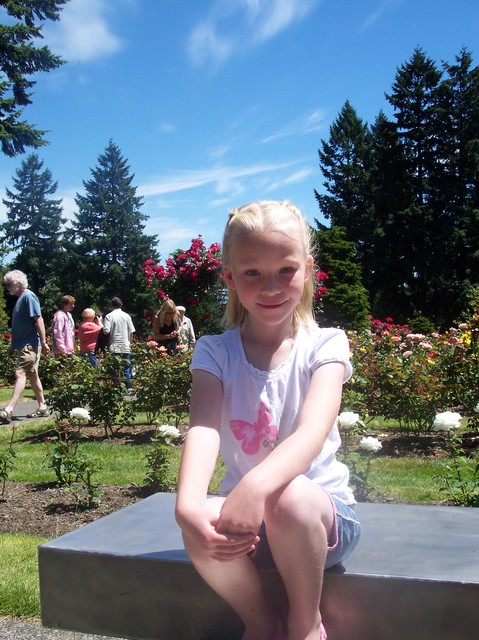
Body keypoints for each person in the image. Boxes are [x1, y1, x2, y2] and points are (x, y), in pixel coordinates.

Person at [175, 201, 361, 640]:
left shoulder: (325, 345)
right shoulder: (215, 352)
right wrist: (187, 505)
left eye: (286, 270)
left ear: (308, 270)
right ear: (230, 279)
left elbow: (313, 432)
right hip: (249, 528)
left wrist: (254, 486)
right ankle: (260, 622)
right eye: (253, 273)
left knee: (289, 497)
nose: (271, 287)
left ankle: (305, 624)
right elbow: (203, 427)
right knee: (196, 521)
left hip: (323, 522)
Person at [0, 270, 50, 422]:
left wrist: (44, 342)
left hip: (30, 344)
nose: (8, 286)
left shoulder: (28, 296)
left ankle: (9, 410)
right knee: (32, 375)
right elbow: (19, 326)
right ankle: (42, 407)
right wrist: (13, 346)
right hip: (23, 344)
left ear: (19, 282)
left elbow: (38, 319)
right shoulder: (20, 299)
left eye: (10, 283)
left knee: (20, 373)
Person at [102, 297, 135, 388]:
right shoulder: (127, 316)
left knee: (116, 368)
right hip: (125, 345)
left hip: (115, 345)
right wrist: (130, 344)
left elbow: (106, 331)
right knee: (126, 368)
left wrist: (100, 324)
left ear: (111, 305)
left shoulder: (109, 316)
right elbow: (131, 332)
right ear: (121, 304)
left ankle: (117, 387)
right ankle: (128, 387)